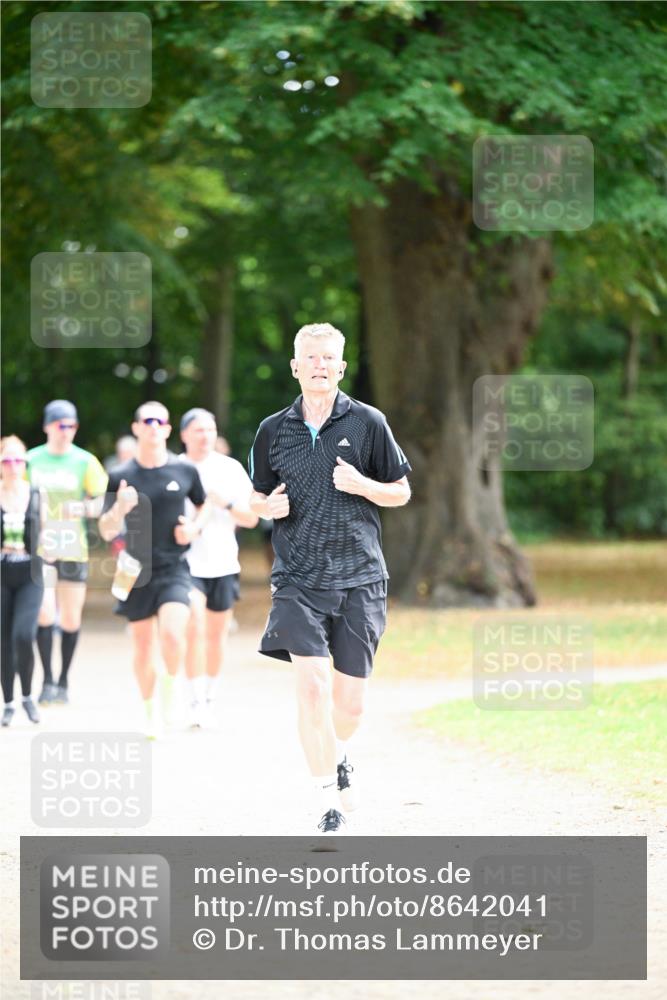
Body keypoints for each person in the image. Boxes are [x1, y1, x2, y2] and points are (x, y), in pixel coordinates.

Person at [248, 322, 411, 833]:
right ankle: (326, 800)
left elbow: (402, 491)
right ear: (295, 366)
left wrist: (363, 484)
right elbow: (256, 496)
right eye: (310, 358)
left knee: (350, 704)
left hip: (361, 576)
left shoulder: (368, 422)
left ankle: (341, 754)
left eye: (328, 359)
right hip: (298, 577)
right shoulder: (273, 429)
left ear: (341, 366)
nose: (319, 366)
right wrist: (264, 505)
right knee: (313, 688)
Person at [99, 401, 209, 738]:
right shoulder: (120, 476)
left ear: (167, 429)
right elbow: (105, 529)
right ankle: (149, 712)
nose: (153, 426)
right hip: (133, 570)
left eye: (159, 421)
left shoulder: (184, 471)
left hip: (174, 567)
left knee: (174, 635)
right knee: (143, 646)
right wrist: (119, 508)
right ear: (136, 429)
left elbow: (203, 505)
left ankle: (171, 691)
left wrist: (193, 528)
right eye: (146, 420)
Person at [27, 400, 108, 705]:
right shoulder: (30, 460)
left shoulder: (85, 461)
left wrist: (83, 507)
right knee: (45, 612)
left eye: (72, 425)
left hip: (73, 547)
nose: (67, 431)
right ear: (48, 426)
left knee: (71, 618)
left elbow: (102, 502)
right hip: (39, 547)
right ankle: (47, 680)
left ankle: (63, 681)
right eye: (61, 425)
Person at [180, 409, 258, 726]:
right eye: (198, 430)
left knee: (216, 634)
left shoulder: (230, 469)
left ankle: (210, 695)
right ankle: (195, 698)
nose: (205, 435)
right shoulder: (175, 468)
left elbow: (252, 518)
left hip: (223, 561)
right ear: (184, 434)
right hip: (185, 563)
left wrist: (224, 503)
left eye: (210, 429)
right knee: (194, 626)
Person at [1, 436, 44, 727]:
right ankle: (9, 702)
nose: (14, 466)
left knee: (24, 635)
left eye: (18, 460)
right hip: (2, 573)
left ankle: (28, 695)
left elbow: (55, 532)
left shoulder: (39, 494)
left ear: (26, 463)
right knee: (4, 641)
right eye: (7, 460)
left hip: (31, 573)